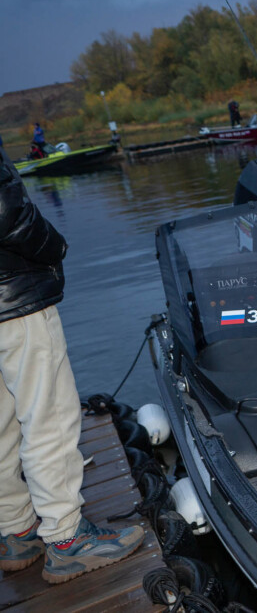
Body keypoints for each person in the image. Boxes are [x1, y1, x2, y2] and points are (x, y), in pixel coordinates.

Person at [0, 144, 144, 583]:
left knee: (2, 425)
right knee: (49, 418)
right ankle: (67, 539)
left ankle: (16, 530)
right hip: (14, 299)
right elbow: (5, 212)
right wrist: (53, 244)